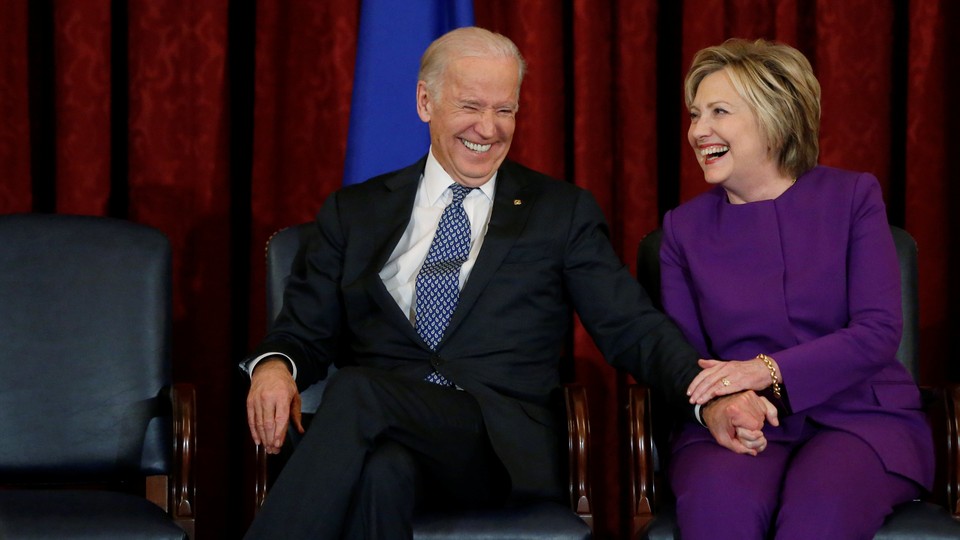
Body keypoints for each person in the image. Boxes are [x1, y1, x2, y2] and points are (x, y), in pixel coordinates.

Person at [241, 27, 765, 539]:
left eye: (505, 110)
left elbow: (630, 325)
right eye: (471, 106)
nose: (488, 129)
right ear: (426, 101)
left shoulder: (559, 212)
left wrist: (708, 398)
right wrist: (273, 367)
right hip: (386, 435)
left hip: (497, 445)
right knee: (383, 470)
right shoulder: (355, 212)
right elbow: (303, 331)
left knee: (355, 391)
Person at [661, 38, 935, 539]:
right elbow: (688, 357)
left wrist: (765, 370)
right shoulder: (682, 229)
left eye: (719, 111)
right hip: (741, 422)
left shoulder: (853, 197)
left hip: (858, 416)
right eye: (695, 114)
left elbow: (877, 331)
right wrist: (726, 404)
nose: (698, 131)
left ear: (774, 117)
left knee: (819, 511)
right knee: (719, 511)